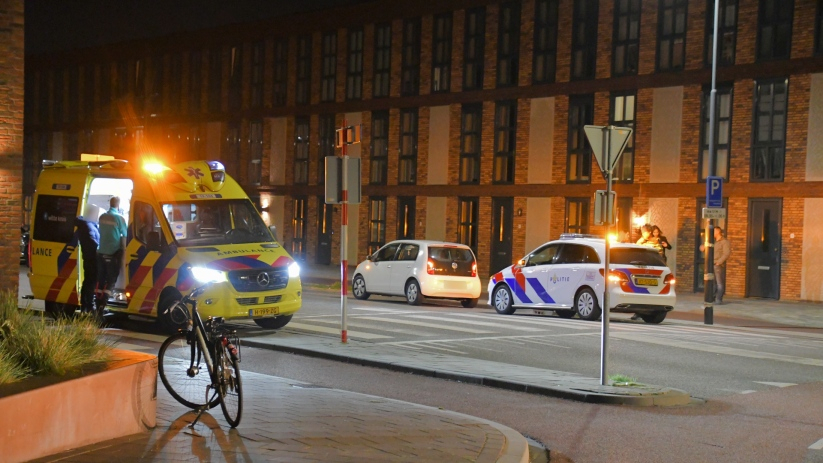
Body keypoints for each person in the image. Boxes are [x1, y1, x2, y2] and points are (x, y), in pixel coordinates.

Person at [96, 196, 128, 310]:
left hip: (100, 252)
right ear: (118, 206)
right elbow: (125, 234)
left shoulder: (102, 217)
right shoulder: (119, 218)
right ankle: (103, 304)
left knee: (101, 278)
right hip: (112, 253)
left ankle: (97, 302)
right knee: (111, 280)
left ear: (110, 204)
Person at [73, 214, 100, 315]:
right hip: (92, 257)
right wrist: (100, 250)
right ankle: (88, 305)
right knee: (92, 281)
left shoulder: (84, 226)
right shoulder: (88, 226)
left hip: (88, 257)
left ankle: (86, 304)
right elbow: (92, 242)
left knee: (88, 280)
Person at [712, 226, 731, 305]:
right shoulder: (713, 241)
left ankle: (719, 299)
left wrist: (719, 262)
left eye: (713, 231)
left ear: (717, 232)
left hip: (718, 265)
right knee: (713, 283)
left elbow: (726, 253)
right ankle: (712, 298)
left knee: (719, 283)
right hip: (711, 264)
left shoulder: (724, 242)